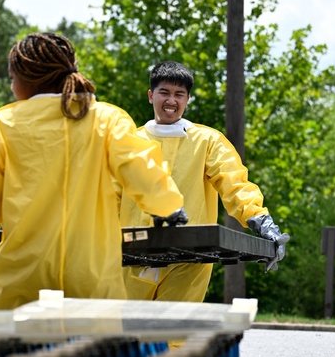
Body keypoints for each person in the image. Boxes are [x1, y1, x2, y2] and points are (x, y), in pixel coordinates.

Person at [0, 32, 186, 311]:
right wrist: (169, 205)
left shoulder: (1, 124)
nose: (13, 86)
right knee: (92, 354)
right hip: (93, 281)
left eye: (12, 78)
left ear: (26, 79)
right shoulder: (106, 118)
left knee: (22, 354)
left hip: (21, 283)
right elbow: (144, 173)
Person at [120, 60, 289, 303]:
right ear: (150, 95)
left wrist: (262, 221)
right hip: (133, 254)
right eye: (164, 92)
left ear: (187, 99)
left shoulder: (207, 141)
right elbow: (108, 193)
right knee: (127, 330)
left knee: (175, 334)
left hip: (190, 256)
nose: (172, 101)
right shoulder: (128, 143)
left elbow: (234, 183)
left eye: (179, 94)